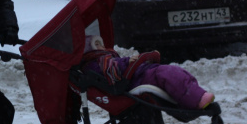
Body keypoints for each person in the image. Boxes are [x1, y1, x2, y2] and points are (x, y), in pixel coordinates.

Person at [82, 35, 215, 110]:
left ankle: (196, 95)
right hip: (137, 80)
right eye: (97, 45)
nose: (102, 46)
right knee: (168, 74)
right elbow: (113, 69)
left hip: (140, 74)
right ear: (90, 50)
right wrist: (128, 61)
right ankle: (195, 100)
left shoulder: (106, 59)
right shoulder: (97, 63)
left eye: (101, 43)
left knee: (173, 72)